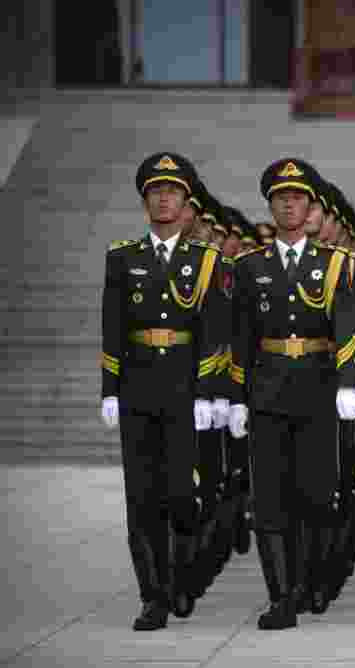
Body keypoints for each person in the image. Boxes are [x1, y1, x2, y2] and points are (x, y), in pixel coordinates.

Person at [227, 158, 355, 629]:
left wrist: (350, 384)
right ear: (270, 206)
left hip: (318, 390)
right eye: (280, 198)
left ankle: (308, 582)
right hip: (266, 392)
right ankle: (281, 596)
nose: (289, 204)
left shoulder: (337, 265)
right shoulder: (249, 267)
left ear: (310, 209)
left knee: (314, 496)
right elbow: (240, 336)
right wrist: (233, 397)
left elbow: (350, 328)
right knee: (268, 498)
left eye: (297, 198)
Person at [101, 152, 229, 630]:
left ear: (187, 203)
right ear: (144, 201)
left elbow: (216, 331)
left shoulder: (207, 261)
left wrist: (209, 393)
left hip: (184, 390)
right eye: (155, 191)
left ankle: (183, 575)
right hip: (137, 387)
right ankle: (153, 596)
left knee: (180, 495)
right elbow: (112, 326)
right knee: (141, 497)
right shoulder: (123, 257)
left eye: (172, 191)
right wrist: (109, 388)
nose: (163, 197)